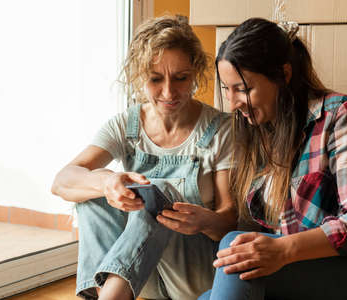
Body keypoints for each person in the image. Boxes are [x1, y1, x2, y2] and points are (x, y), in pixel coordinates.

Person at [199, 18, 347, 300]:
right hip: (309, 264)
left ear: (284, 75)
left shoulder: (339, 115)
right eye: (227, 89)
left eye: (242, 89)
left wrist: (284, 249)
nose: (232, 103)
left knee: (233, 255)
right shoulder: (257, 131)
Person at [51, 15, 237, 300]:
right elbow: (62, 181)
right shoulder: (126, 125)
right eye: (155, 79)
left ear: (196, 72)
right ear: (139, 76)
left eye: (181, 78)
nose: (168, 92)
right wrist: (107, 183)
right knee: (91, 198)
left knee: (158, 193)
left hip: (193, 276)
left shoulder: (221, 130)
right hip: (138, 275)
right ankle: (105, 293)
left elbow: (231, 221)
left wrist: (203, 221)